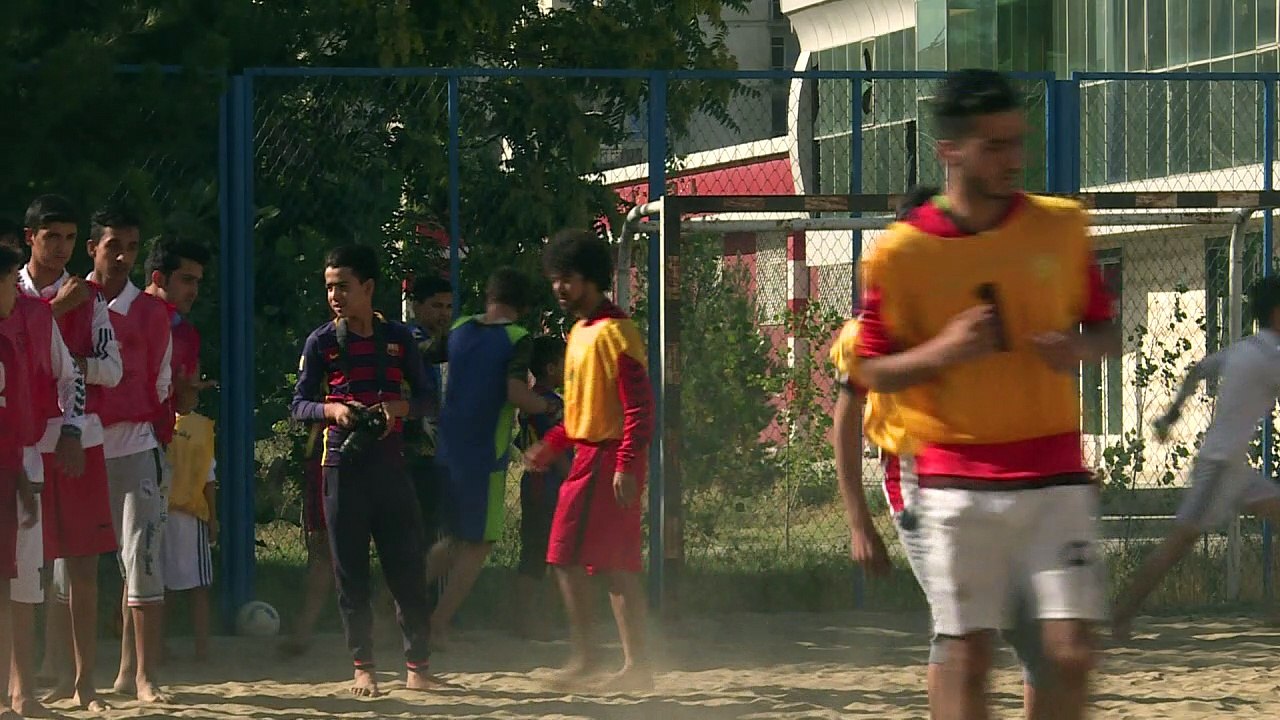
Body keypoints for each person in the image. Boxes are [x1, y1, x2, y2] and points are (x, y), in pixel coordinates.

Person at [853, 69, 1119, 720]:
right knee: (968, 655)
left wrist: (1080, 348)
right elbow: (869, 373)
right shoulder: (901, 253)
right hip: (953, 477)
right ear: (951, 150)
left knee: (1069, 652)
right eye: (994, 145)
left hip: (1054, 471)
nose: (1012, 159)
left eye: (1017, 142)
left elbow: (1107, 331)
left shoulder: (1060, 226)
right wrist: (944, 351)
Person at [830, 315, 1047, 720]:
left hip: (986, 474)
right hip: (918, 483)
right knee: (960, 627)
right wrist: (858, 522)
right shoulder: (871, 329)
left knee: (1034, 633)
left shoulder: (976, 310)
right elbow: (845, 417)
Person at [290, 244, 443, 697]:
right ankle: (364, 667)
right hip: (340, 468)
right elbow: (299, 404)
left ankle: (418, 666)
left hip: (391, 468)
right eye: (329, 287)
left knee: (407, 570)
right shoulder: (320, 342)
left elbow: (428, 399)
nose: (335, 296)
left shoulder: (398, 340)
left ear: (369, 288)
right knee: (350, 572)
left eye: (343, 286)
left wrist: (398, 407)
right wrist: (332, 410)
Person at [1111, 276, 1280, 638]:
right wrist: (1172, 414)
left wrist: (1173, 413)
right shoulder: (1269, 357)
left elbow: (1198, 369)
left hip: (1233, 467)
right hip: (1219, 467)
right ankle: (1122, 613)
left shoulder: (1245, 349)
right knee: (1178, 544)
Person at [527, 229, 655, 691]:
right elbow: (582, 411)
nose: (560, 287)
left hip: (610, 460)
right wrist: (554, 444)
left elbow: (639, 406)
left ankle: (618, 663)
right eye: (555, 278)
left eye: (569, 278)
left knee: (599, 562)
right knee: (581, 560)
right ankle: (604, 660)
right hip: (587, 457)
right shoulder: (579, 332)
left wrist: (625, 463)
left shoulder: (616, 331)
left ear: (591, 279)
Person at [20, 195, 121, 712]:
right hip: (23, 443)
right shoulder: (12, 293)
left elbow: (111, 369)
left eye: (67, 237)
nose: (59, 248)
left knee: (82, 566)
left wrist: (73, 369)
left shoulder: (91, 298)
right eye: (49, 236)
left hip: (81, 440)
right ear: (29, 238)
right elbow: (14, 353)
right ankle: (29, 677)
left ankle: (85, 682)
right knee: (22, 568)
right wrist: (53, 314)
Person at [420, 268, 557, 644]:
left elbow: (425, 354)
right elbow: (515, 392)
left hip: (448, 446)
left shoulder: (461, 326)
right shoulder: (516, 337)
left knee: (453, 538)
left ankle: (395, 599)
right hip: (485, 453)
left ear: (489, 297)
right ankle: (438, 622)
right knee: (480, 541)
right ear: (524, 306)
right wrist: (545, 405)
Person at [84, 208, 175, 704]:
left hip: (135, 443)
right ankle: (66, 670)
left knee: (140, 556)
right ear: (92, 247)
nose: (122, 256)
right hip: (79, 442)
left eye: (132, 247)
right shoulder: (70, 300)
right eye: (112, 245)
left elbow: (160, 383)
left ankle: (139, 674)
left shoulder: (151, 312)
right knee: (69, 561)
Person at [0, 231, 87, 717]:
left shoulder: (35, 316)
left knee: (24, 579)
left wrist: (70, 428)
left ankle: (22, 689)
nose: (16, 286)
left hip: (22, 458)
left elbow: (70, 375)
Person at [0, 242, 41, 720]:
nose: (16, 291)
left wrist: (22, 481)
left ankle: (15, 692)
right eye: (12, 281)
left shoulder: (7, 347)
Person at [513, 335, 570, 640]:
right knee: (541, 552)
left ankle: (535, 619)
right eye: (564, 361)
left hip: (536, 483)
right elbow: (555, 447)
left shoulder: (531, 400)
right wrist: (572, 477)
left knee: (538, 551)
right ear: (551, 367)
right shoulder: (549, 405)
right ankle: (529, 620)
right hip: (546, 485)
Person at [159, 405, 218, 661]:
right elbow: (209, 478)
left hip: (168, 513)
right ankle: (200, 649)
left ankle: (163, 646)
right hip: (186, 514)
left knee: (166, 586)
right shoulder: (199, 427)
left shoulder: (155, 420)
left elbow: (208, 476)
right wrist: (213, 518)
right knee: (197, 587)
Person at [405, 276, 452, 560]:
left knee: (433, 526)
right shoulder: (410, 337)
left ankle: (426, 598)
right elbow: (432, 352)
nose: (444, 313)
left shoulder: (441, 341)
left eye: (448, 306)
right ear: (416, 306)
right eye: (436, 306)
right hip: (412, 448)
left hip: (437, 448)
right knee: (415, 528)